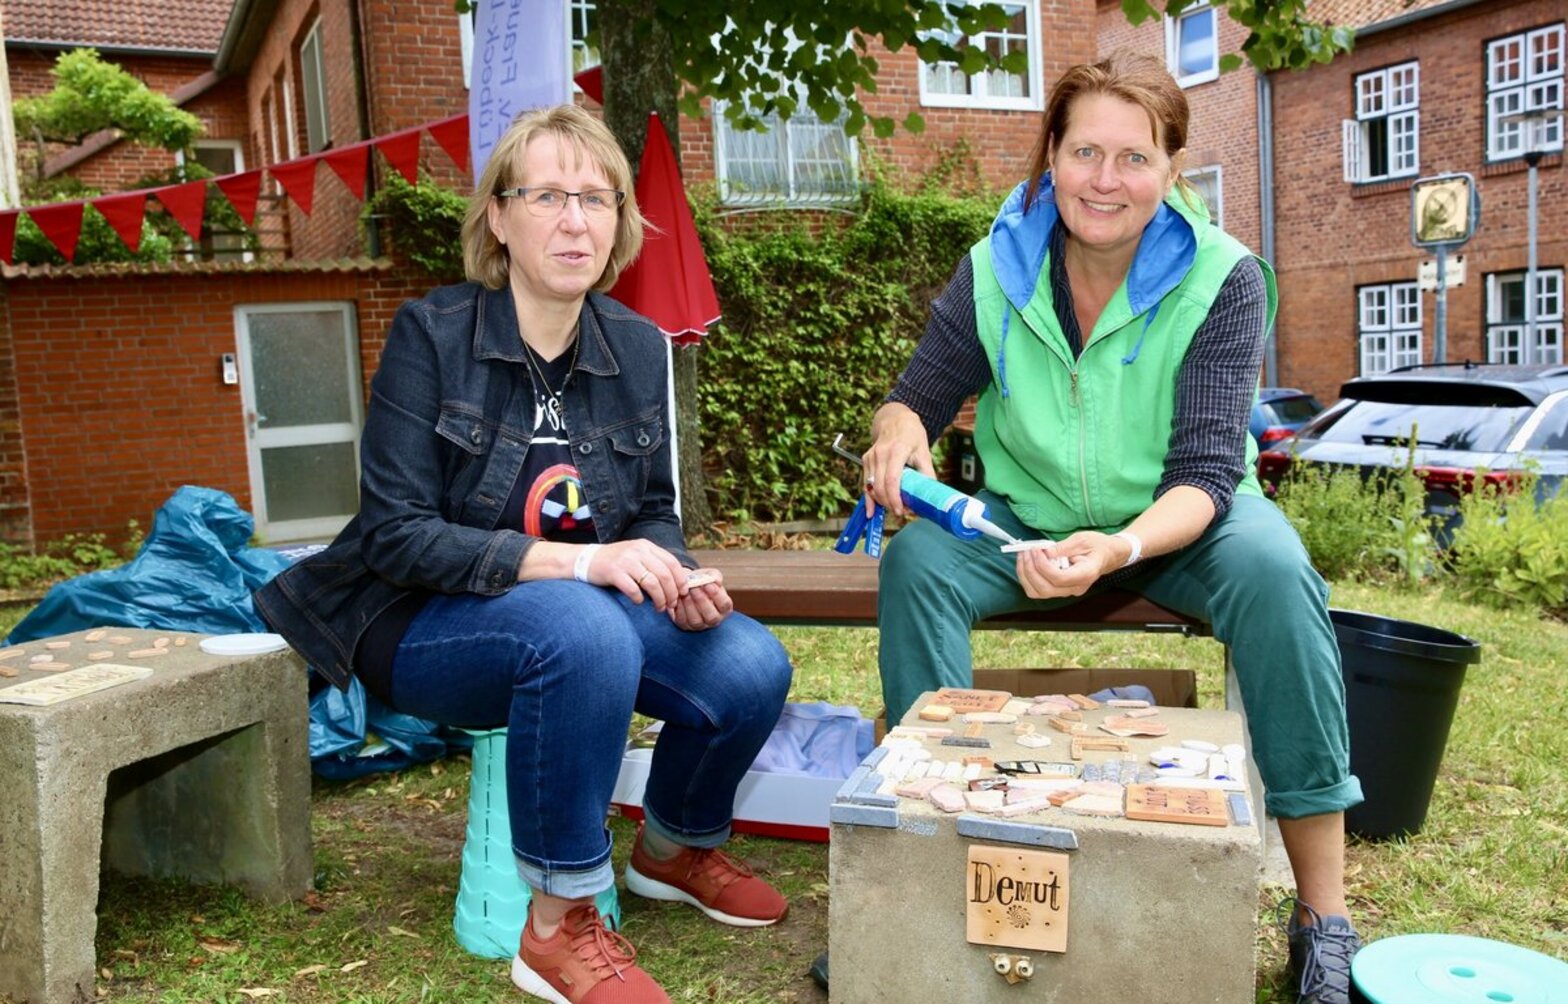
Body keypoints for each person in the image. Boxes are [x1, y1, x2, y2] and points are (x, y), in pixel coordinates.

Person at [254, 105, 792, 1004]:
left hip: (585, 620)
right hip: (418, 621)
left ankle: (673, 848)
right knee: (583, 630)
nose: (576, 219)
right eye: (547, 195)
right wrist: (584, 564)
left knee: (747, 664)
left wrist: (670, 571)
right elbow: (395, 533)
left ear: (620, 222)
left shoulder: (638, 345)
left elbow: (652, 510)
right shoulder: (434, 336)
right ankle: (558, 922)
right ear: (498, 218)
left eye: (597, 197)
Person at [860, 54, 1364, 1004]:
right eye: (1084, 149)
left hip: (1182, 522)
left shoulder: (1225, 278)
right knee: (920, 560)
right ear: (1050, 155)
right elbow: (918, 396)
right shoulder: (993, 267)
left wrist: (1121, 548)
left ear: (1172, 168)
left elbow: (1209, 474)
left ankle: (1322, 918)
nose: (1105, 178)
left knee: (1277, 574)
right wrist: (897, 434)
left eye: (1134, 157)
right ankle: (935, 868)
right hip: (1031, 523)